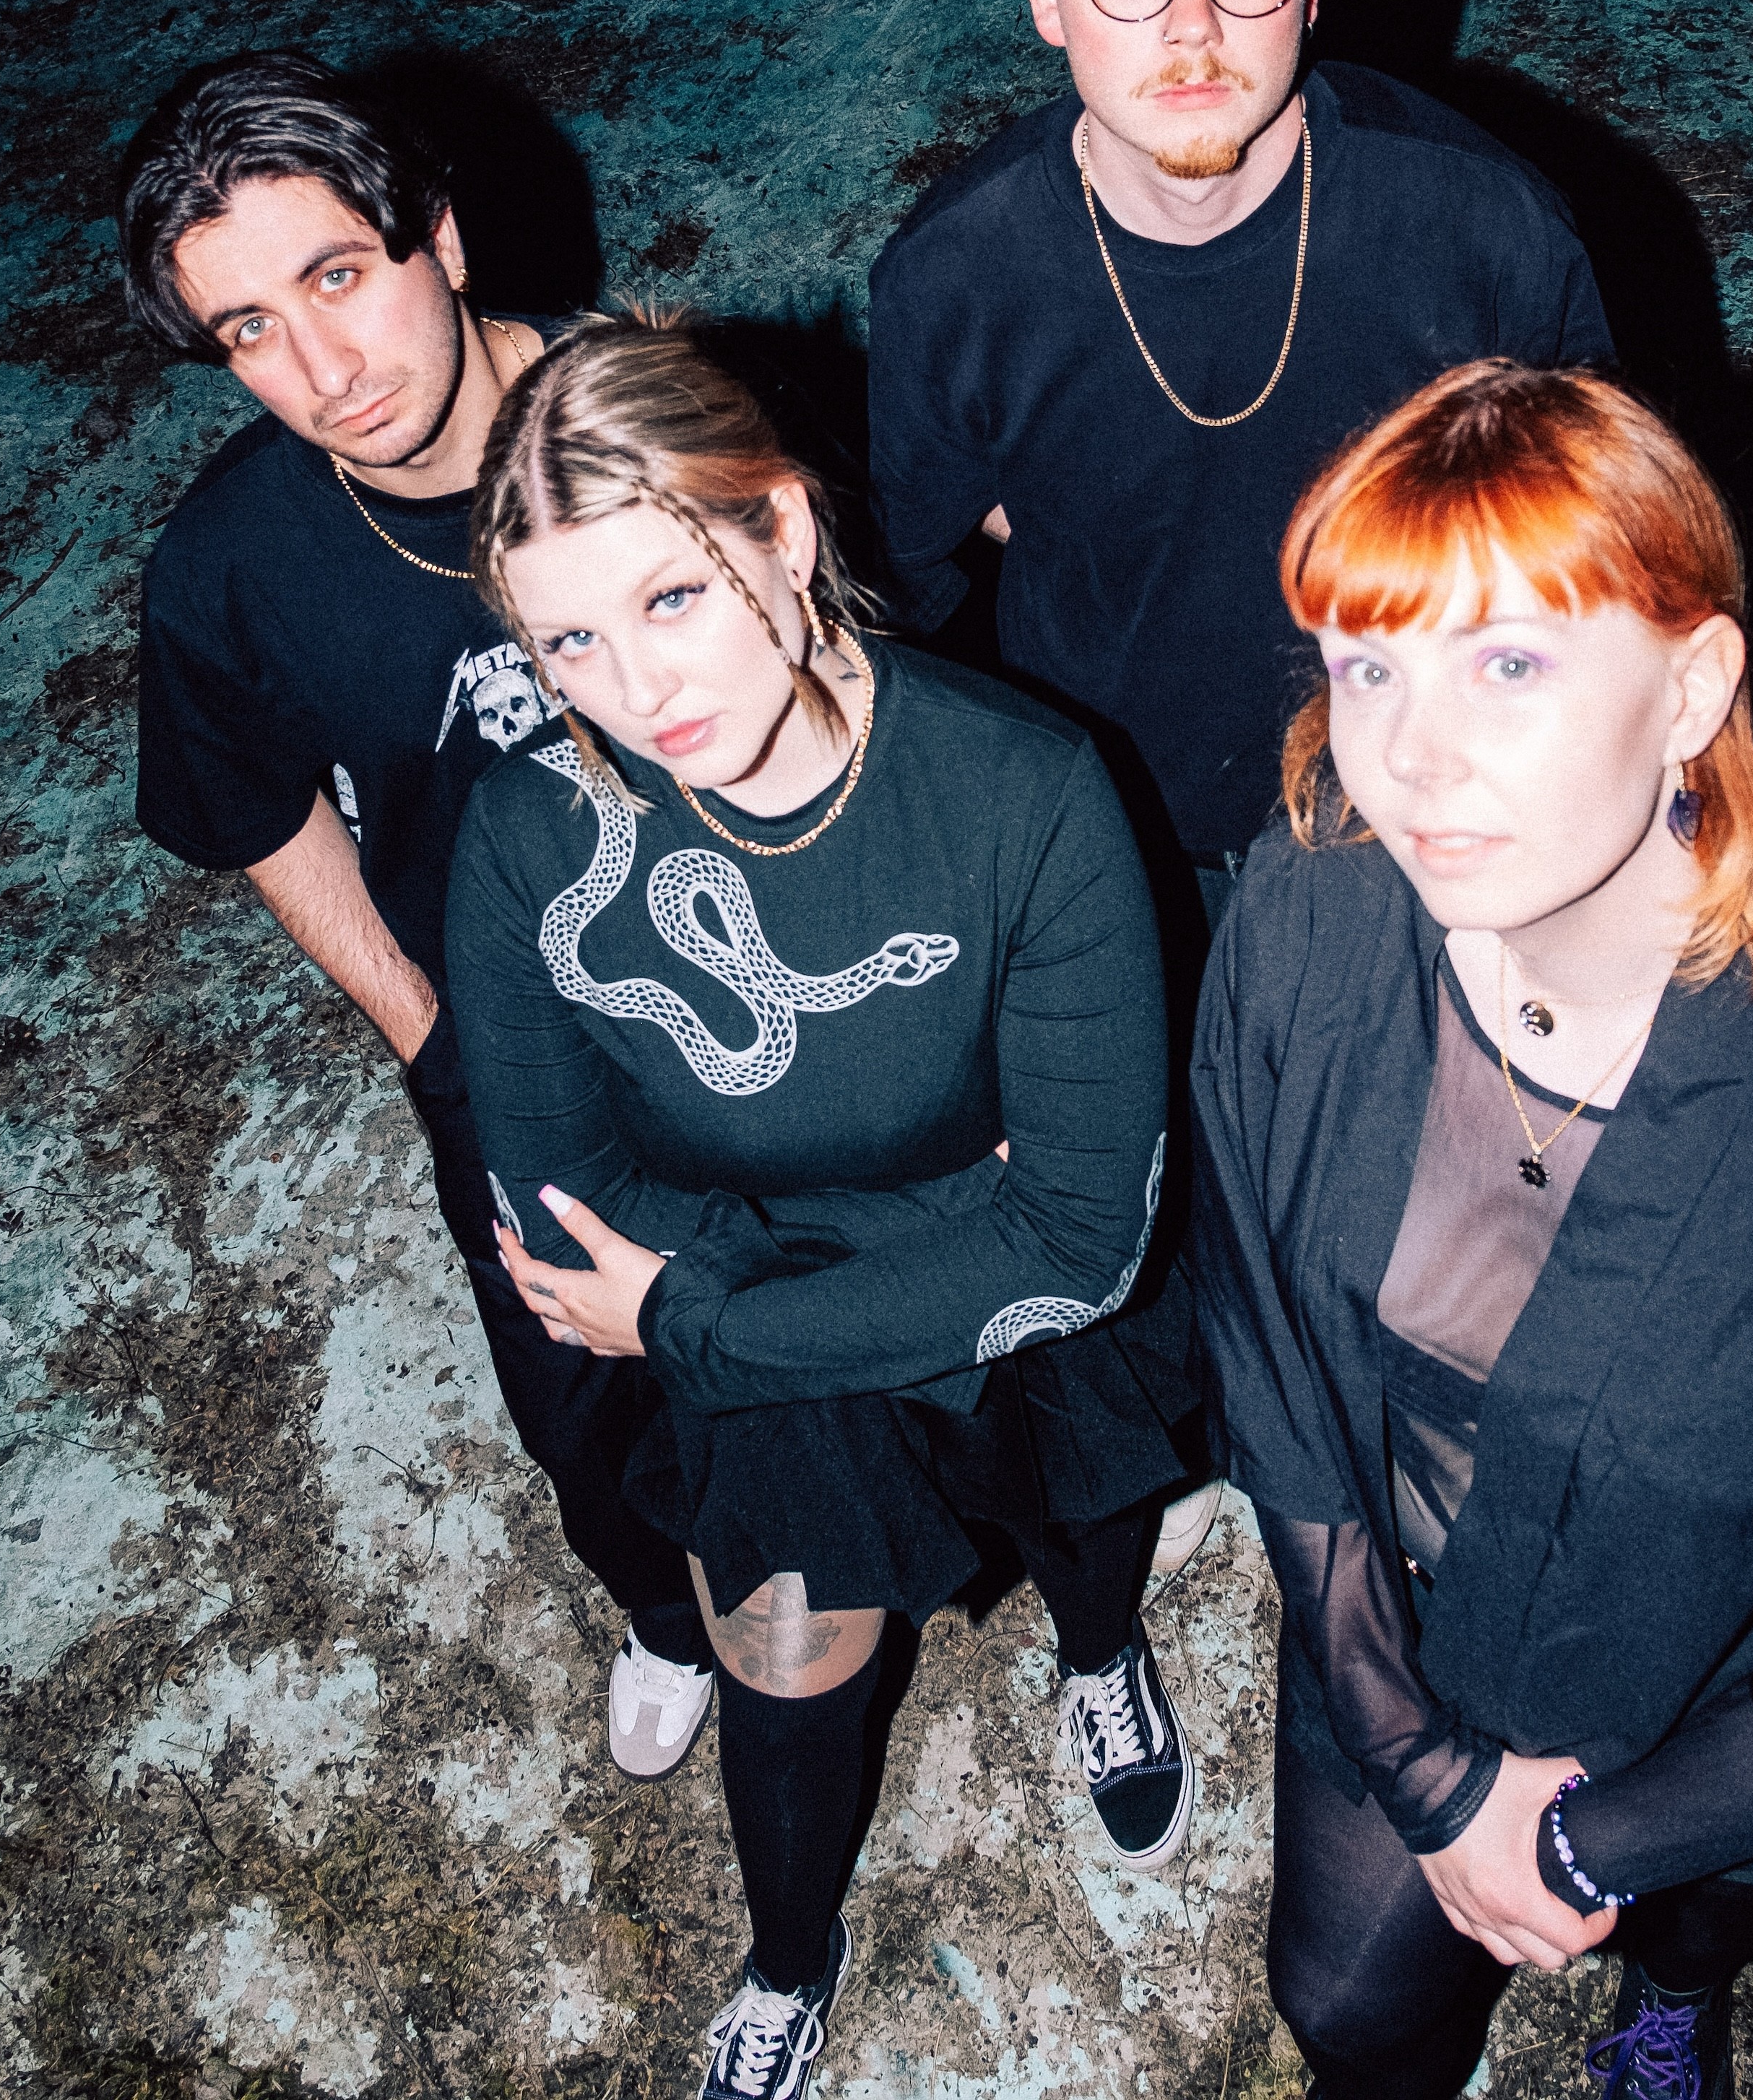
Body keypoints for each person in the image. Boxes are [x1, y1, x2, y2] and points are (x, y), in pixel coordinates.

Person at [1190, 361, 1753, 2099]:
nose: (1411, 756)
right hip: (1407, 1614)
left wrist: (1581, 1849)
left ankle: (1677, 1992)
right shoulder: (1309, 909)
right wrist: (1421, 1764)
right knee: (1348, 2006)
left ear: (1692, 688)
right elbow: (1274, 1357)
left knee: (1705, 1914)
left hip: (1721, 1691)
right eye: (1368, 666)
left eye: (1509, 665)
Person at [445, 313, 1199, 2100]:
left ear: (782, 532)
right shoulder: (532, 835)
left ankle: (1102, 1654)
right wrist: (900, 1243)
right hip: (789, 1286)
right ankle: (793, 1952)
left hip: (793, 1289)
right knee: (785, 1645)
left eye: (670, 598)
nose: (637, 689)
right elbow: (560, 1204)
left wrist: (698, 1309)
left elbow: (1080, 1242)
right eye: (567, 640)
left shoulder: (1025, 792)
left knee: (1080, 1493)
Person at [121, 52, 719, 1780]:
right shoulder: (230, 566)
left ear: (440, 240)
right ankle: (666, 1611)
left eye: (337, 276)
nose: (321, 371)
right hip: (513, 1042)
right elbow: (248, 808)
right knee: (581, 1396)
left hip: (769, 971)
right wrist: (424, 1025)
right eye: (247, 329)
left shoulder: (660, 422)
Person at [869, 0, 1614, 934]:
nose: (1192, 24)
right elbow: (917, 572)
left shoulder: (1483, 227)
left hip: (1418, 819)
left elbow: (1592, 560)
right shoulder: (954, 277)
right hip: (1117, 841)